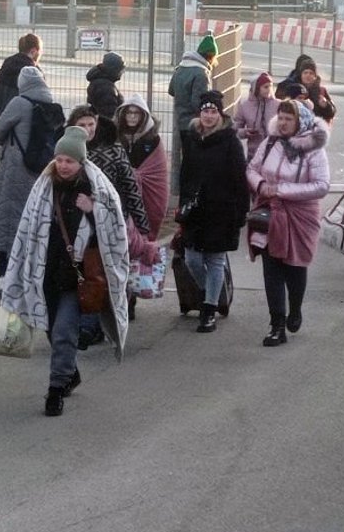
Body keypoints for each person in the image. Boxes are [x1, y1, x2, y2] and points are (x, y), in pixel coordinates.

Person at [0, 126, 130, 417]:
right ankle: (70, 372)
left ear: (80, 162)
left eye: (69, 161)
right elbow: (28, 228)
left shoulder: (97, 191)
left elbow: (114, 233)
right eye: (59, 159)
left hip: (77, 277)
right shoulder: (44, 188)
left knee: (63, 332)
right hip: (44, 274)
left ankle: (56, 389)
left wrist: (93, 211)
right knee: (49, 326)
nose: (63, 165)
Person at [246, 99, 331, 346]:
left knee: (295, 267)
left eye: (288, 119)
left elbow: (322, 185)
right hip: (270, 212)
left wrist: (282, 190)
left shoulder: (313, 149)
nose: (282, 123)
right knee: (271, 267)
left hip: (300, 216)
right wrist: (261, 185)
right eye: (280, 118)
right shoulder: (270, 141)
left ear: (299, 122)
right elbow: (251, 168)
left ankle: (295, 309)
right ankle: (277, 325)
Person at [66, 105, 151, 347]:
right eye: (82, 125)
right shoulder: (68, 149)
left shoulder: (113, 149)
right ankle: (87, 323)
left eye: (91, 124)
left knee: (98, 273)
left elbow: (129, 187)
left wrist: (142, 227)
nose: (87, 130)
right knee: (80, 273)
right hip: (73, 224)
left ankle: (93, 325)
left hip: (108, 222)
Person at [178, 90, 250, 333]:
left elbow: (240, 177)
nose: (208, 116)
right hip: (195, 211)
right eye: (205, 111)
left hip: (222, 209)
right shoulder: (191, 137)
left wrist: (241, 211)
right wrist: (184, 203)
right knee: (192, 259)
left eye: (213, 111)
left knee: (215, 259)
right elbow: (185, 173)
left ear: (220, 114)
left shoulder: (229, 140)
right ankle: (212, 290)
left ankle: (209, 309)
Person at [0, 65, 58, 293]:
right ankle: (30, 273)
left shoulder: (19, 103)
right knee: (33, 222)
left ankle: (5, 275)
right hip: (42, 172)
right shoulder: (52, 106)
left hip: (15, 170)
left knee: (6, 222)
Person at [115, 93, 170, 319]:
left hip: (144, 203)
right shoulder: (116, 138)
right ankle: (120, 297)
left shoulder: (152, 140)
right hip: (120, 200)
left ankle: (132, 295)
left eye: (136, 112)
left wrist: (136, 177)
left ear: (143, 115)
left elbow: (157, 174)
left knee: (137, 247)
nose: (131, 116)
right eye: (128, 112)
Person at [168, 34, 218, 150]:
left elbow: (171, 90)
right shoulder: (201, 73)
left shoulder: (180, 68)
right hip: (196, 125)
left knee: (187, 159)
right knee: (195, 161)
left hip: (180, 121)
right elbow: (199, 103)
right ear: (211, 56)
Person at [0, 32, 42, 119]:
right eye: (40, 51)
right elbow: (41, 105)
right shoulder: (35, 75)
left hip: (2, 122)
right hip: (25, 125)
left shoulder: (2, 71)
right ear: (33, 51)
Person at [235, 71, 280, 162]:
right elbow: (235, 128)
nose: (269, 89)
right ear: (256, 88)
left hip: (275, 153)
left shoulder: (278, 105)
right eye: (265, 87)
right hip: (254, 153)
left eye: (270, 86)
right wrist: (244, 132)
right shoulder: (245, 106)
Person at [286, 54, 337, 123]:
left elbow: (332, 113)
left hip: (316, 129)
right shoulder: (293, 89)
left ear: (315, 76)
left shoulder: (321, 91)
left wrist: (326, 105)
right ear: (301, 75)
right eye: (305, 73)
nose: (308, 75)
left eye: (311, 73)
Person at [85, 51, 125, 119]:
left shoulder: (102, 82)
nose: (122, 72)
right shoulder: (105, 87)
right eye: (120, 69)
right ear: (114, 70)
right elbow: (109, 113)